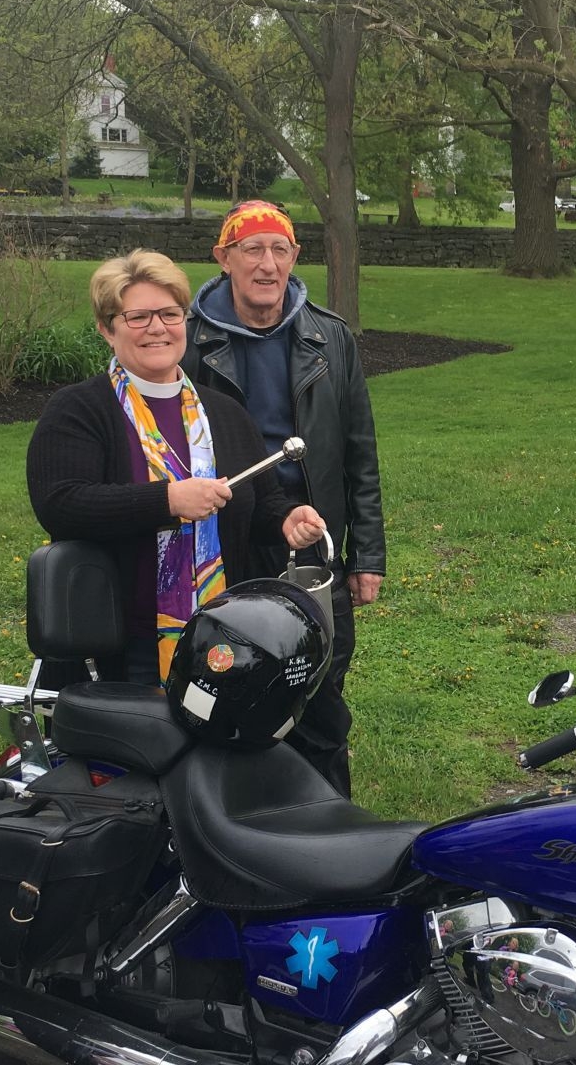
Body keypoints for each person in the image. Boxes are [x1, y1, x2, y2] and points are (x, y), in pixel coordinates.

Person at [27, 249, 327, 686]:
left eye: (169, 314)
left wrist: (286, 520)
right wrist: (168, 500)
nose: (157, 328)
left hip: (223, 638)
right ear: (106, 328)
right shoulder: (79, 409)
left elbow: (258, 502)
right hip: (121, 648)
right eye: (138, 317)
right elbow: (61, 504)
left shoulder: (223, 412)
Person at [183, 200, 384, 796]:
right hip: (226, 538)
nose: (267, 265)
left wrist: (367, 555)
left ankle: (326, 811)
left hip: (311, 541)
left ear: (296, 257)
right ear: (223, 260)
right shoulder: (189, 340)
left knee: (318, 679)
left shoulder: (330, 337)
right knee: (231, 675)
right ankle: (240, 810)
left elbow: (359, 453)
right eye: (252, 250)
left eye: (280, 250)